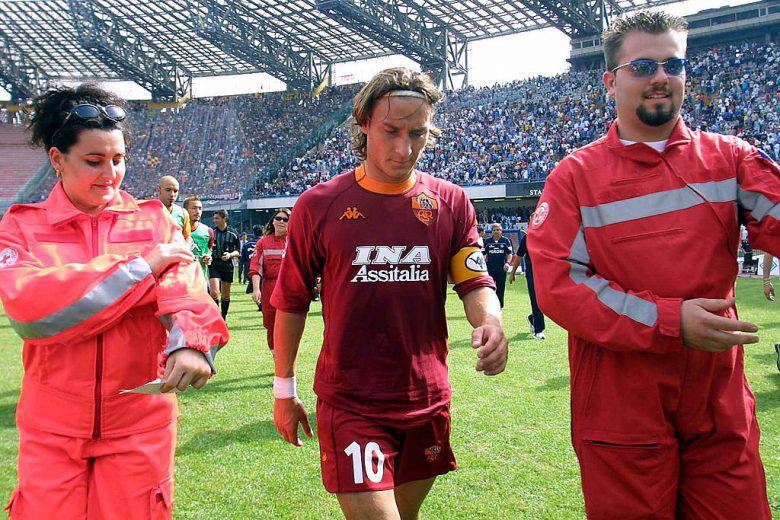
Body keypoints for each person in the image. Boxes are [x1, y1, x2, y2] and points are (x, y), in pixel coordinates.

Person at [528, 12, 778, 519]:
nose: (661, 76)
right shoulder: (575, 177)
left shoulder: (730, 159)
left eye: (673, 63)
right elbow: (559, 286)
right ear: (610, 81)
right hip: (622, 408)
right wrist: (670, 321)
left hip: (718, 402)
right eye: (642, 65)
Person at [270, 68, 508, 520]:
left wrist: (490, 322)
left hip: (427, 399)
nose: (404, 149)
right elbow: (292, 299)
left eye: (417, 133)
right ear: (363, 124)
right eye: (391, 131)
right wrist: (284, 389)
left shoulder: (451, 202)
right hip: (352, 400)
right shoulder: (319, 205)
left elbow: (474, 280)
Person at [0, 84, 228, 519]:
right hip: (52, 431)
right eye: (94, 161)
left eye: (118, 159)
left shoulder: (153, 219)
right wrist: (143, 269)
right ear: (56, 160)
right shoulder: (20, 227)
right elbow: (32, 309)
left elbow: (185, 285)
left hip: (140, 424)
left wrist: (194, 339)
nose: (110, 173)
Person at [249, 209, 290, 354]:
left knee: (289, 326)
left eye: (285, 220)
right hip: (270, 289)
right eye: (278, 218)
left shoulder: (295, 241)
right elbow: (255, 267)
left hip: (290, 289)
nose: (281, 222)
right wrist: (256, 289)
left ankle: (287, 359)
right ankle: (276, 357)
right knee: (271, 325)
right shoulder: (263, 243)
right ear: (272, 221)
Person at [509, 228, 545, 340]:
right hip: (532, 275)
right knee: (536, 301)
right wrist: (513, 272)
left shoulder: (548, 235)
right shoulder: (527, 238)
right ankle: (539, 330)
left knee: (546, 302)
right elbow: (519, 256)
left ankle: (532, 318)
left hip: (546, 275)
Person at [209, 209, 240, 320]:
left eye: (217, 218)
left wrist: (230, 255)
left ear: (224, 219)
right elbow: (207, 248)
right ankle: (217, 317)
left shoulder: (233, 233)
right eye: (214, 218)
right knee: (214, 292)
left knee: (225, 294)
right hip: (214, 264)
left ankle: (223, 317)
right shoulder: (211, 232)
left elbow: (238, 251)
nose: (214, 220)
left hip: (227, 265)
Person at [183, 195, 214, 280]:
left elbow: (208, 251)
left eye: (200, 208)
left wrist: (208, 258)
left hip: (200, 279)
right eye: (194, 208)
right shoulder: (177, 230)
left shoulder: (208, 231)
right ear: (185, 211)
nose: (198, 211)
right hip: (180, 279)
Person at [482, 223, 513, 307]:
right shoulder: (487, 241)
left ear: (501, 231)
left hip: (502, 268)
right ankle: (490, 305)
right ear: (492, 232)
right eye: (494, 230)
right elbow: (483, 254)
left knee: (501, 288)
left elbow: (510, 254)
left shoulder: (506, 241)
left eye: (498, 230)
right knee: (489, 287)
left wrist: (507, 263)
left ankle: (499, 306)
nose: (496, 231)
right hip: (490, 269)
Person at [156, 175, 190, 240]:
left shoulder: (183, 213)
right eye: (168, 190)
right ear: (159, 190)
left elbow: (187, 237)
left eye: (175, 191)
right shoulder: (148, 211)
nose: (172, 195)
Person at [242, 225, 263, 296]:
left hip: (250, 270)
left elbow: (243, 259)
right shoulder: (266, 243)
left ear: (253, 233)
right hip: (263, 270)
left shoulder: (246, 245)